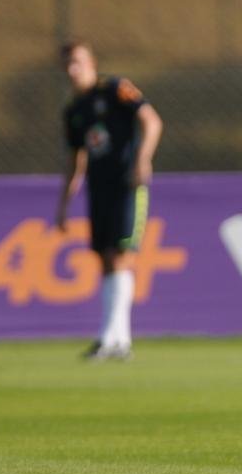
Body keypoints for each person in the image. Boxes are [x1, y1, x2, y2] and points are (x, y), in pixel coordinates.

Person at [55, 39, 163, 360]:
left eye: (78, 61)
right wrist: (64, 205)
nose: (73, 69)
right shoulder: (74, 111)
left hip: (127, 184)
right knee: (104, 258)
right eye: (68, 63)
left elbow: (152, 121)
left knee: (121, 256)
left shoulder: (115, 89)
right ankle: (116, 339)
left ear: (91, 62)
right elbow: (76, 161)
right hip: (98, 189)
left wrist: (143, 159)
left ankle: (113, 338)